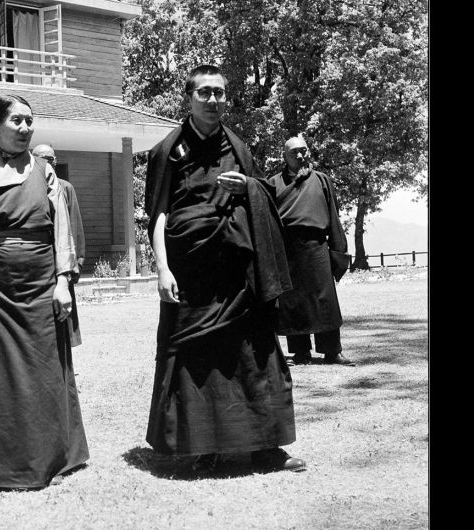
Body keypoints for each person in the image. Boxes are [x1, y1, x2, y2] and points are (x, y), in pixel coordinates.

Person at [143, 64, 305, 474]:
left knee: (254, 356)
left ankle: (266, 447)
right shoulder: (169, 150)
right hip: (190, 273)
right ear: (188, 98)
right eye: (205, 94)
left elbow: (263, 197)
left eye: (220, 93)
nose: (213, 101)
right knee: (194, 358)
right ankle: (200, 448)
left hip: (237, 272)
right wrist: (162, 269)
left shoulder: (238, 147)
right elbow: (158, 214)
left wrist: (248, 189)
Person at [0, 95, 88, 489]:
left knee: (46, 372)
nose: (25, 128)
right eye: (16, 120)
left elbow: (61, 228)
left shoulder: (45, 171)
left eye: (29, 121)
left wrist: (63, 282)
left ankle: (53, 458)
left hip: (41, 287)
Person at [269, 136, 355, 366]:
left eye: (304, 151)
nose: (300, 155)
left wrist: (339, 251)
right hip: (287, 247)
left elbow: (333, 216)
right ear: (284, 156)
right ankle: (300, 352)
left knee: (324, 299)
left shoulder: (322, 180)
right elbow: (267, 220)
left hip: (317, 246)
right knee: (293, 301)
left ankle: (332, 351)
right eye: (294, 152)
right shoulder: (273, 183)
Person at [31, 143, 86, 347]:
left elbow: (74, 224)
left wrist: (76, 261)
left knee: (64, 312)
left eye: (51, 159)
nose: (48, 163)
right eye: (42, 159)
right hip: (38, 260)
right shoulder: (26, 186)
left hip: (62, 260)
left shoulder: (65, 188)